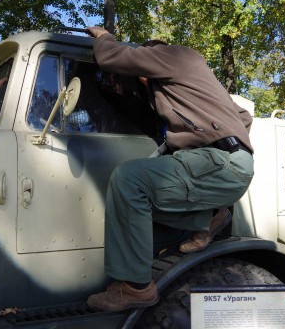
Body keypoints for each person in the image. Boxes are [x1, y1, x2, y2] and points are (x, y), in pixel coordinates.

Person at [85, 26, 255, 312]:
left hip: (221, 163)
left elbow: (110, 58)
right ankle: (208, 217)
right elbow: (244, 117)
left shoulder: (174, 55)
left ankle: (136, 288)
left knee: (130, 180)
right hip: (227, 164)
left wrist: (104, 38)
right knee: (138, 203)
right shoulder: (188, 86)